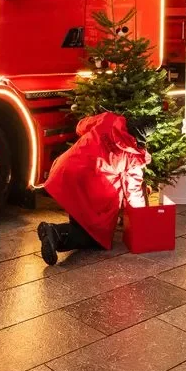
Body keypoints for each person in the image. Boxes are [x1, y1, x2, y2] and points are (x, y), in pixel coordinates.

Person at [37, 111, 149, 264]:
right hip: (90, 189)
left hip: (68, 169)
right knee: (94, 237)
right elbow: (133, 192)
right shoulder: (133, 157)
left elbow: (80, 126)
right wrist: (141, 219)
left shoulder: (108, 119)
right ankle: (56, 233)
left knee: (79, 217)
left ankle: (58, 233)